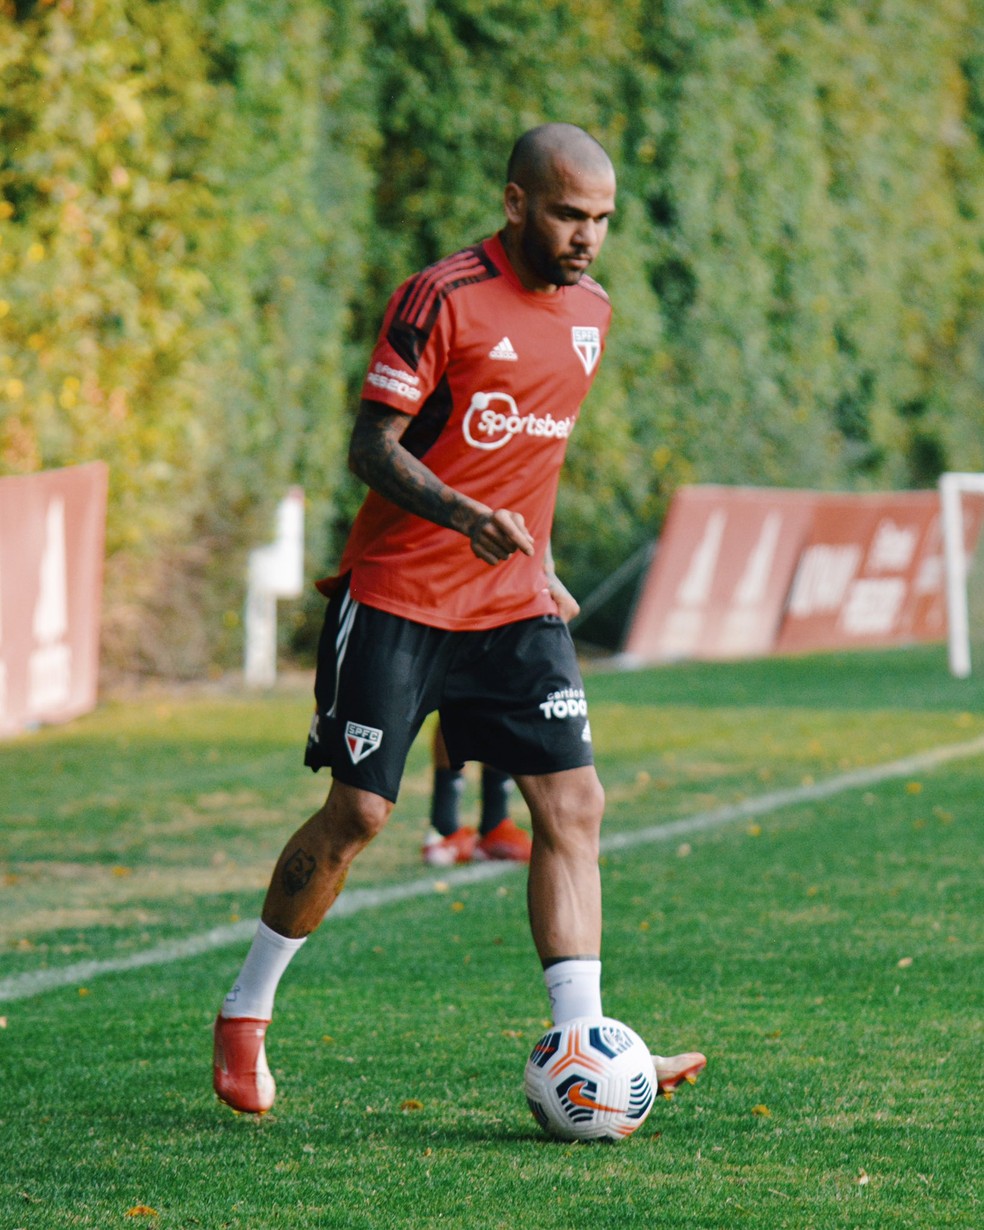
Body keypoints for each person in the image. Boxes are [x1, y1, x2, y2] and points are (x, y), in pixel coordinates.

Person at [212, 122, 705, 1115]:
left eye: (602, 220)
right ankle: (244, 1013)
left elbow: (533, 466)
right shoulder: (440, 298)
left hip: (514, 603)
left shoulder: (592, 317)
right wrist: (462, 516)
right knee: (361, 815)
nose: (587, 238)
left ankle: (587, 1045)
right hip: (399, 592)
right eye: (570, 214)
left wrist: (543, 566)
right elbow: (371, 447)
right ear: (518, 202)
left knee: (575, 808)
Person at [422, 564, 580, 866]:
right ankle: (444, 828)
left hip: (514, 584)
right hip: (460, 579)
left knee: (502, 691)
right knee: (455, 693)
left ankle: (494, 825)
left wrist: (548, 574)